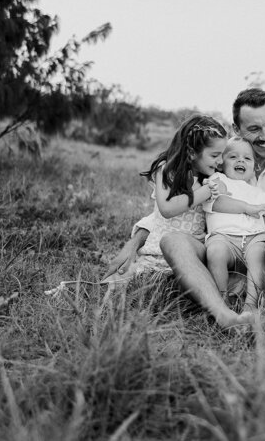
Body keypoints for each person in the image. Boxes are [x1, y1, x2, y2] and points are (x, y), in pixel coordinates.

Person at [106, 89, 265, 329]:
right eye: (255, 129)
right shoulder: (215, 168)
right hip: (220, 252)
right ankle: (225, 315)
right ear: (237, 131)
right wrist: (135, 241)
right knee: (173, 240)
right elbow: (174, 211)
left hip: (263, 251)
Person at [100, 114, 253, 329]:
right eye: (215, 155)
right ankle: (222, 314)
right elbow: (166, 209)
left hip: (195, 252)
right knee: (125, 285)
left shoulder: (214, 177)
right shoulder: (168, 171)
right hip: (158, 255)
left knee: (186, 250)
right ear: (191, 152)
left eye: (221, 155)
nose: (220, 161)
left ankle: (222, 311)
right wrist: (204, 192)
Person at [203, 137, 265, 314]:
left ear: (255, 167)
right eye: (233, 157)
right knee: (215, 252)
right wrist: (247, 208)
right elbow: (218, 202)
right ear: (220, 164)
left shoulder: (256, 191)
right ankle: (222, 299)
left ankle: (251, 303)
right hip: (223, 237)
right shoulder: (218, 180)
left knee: (259, 255)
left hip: (254, 237)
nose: (241, 160)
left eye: (247, 158)